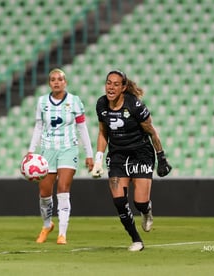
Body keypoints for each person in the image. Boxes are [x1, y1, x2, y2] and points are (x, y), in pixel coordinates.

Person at [91, 70, 172, 251]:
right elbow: (103, 132)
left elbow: (151, 131)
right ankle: (136, 240)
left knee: (140, 203)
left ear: (123, 87)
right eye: (108, 83)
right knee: (119, 201)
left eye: (116, 84)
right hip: (118, 156)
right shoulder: (101, 104)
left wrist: (161, 157)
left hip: (140, 153)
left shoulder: (134, 105)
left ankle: (146, 210)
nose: (111, 87)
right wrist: (98, 159)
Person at [26, 68, 94, 245]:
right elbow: (39, 127)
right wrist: (31, 151)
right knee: (44, 193)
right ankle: (47, 225)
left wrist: (89, 154)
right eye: (53, 79)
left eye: (60, 79)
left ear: (65, 82)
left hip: (68, 149)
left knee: (63, 188)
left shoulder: (75, 101)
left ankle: (62, 233)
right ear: (49, 83)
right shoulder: (42, 102)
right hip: (47, 150)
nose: (56, 82)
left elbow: (82, 128)